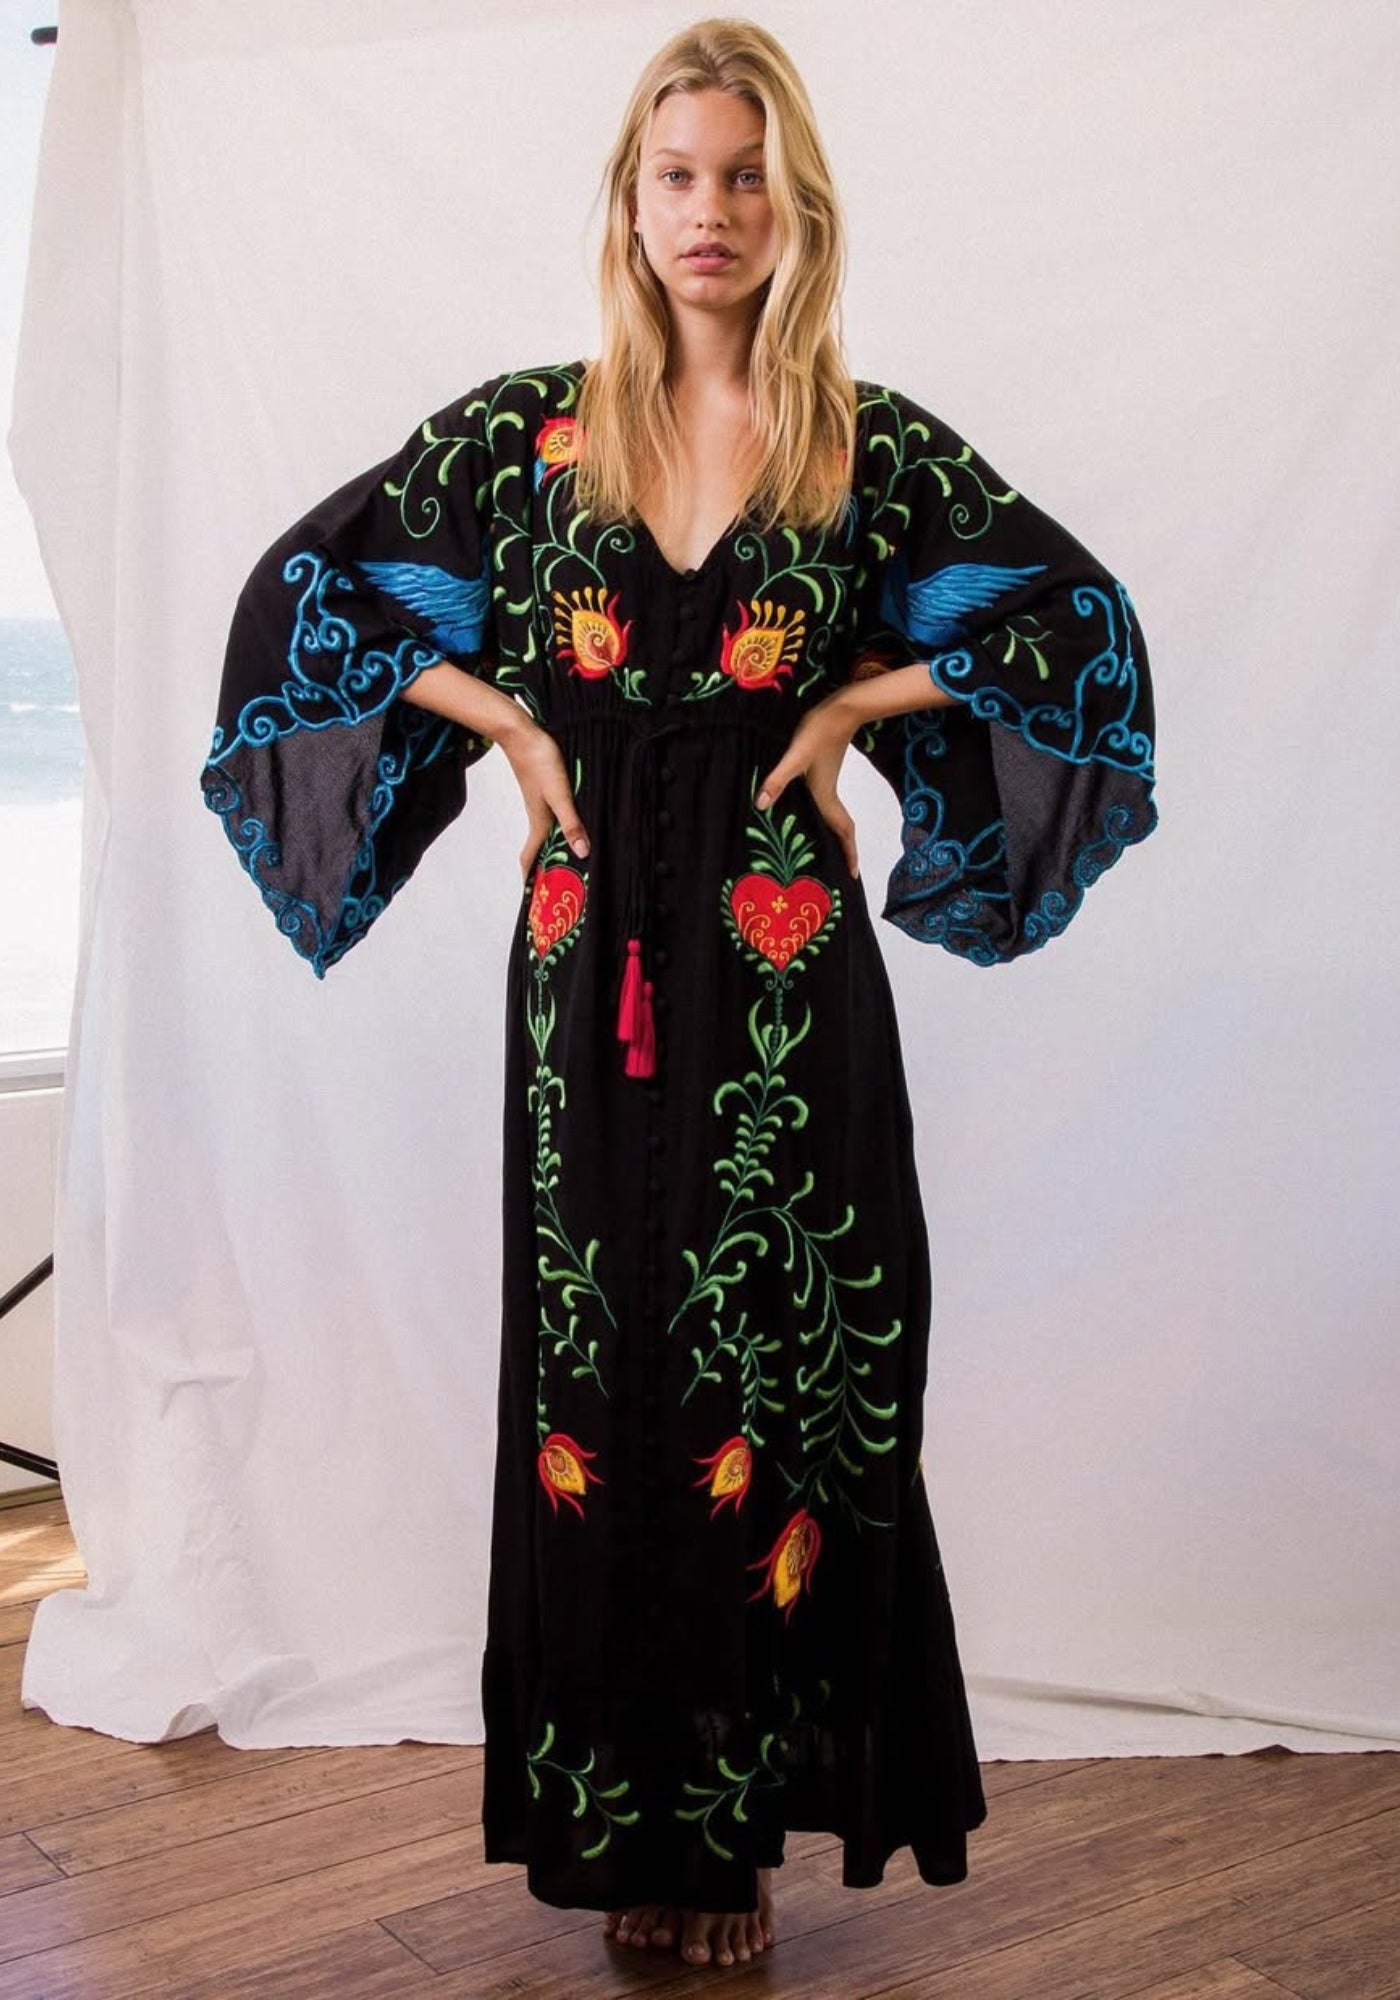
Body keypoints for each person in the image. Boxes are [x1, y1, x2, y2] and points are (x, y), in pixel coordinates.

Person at [199, 14, 1157, 1973]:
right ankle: (626, 1820)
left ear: (794, 206)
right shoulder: (527, 439)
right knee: (603, 1372)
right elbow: (311, 599)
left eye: (742, 177)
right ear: (628, 207)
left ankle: (729, 1841)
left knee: (780, 1366)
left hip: (783, 963)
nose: (708, 210)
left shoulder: (860, 446)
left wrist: (859, 702)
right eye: (676, 176)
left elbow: (1075, 626)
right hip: (587, 967)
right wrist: (506, 726)